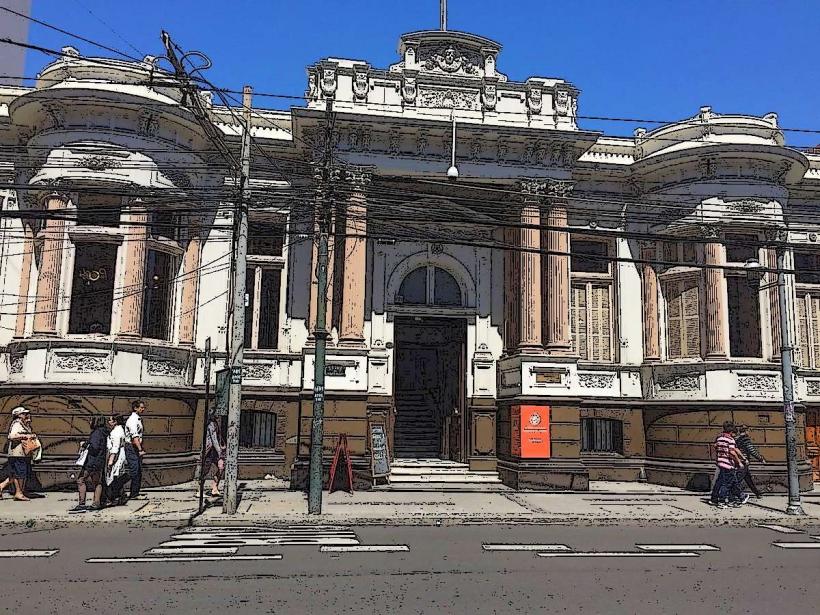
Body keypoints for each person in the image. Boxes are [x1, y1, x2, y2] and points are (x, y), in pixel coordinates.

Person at [710, 421, 749, 508]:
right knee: (727, 484)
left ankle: (739, 497)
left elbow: (716, 446)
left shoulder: (719, 438)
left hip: (721, 463)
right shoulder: (730, 440)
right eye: (734, 434)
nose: (734, 436)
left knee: (726, 481)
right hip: (728, 464)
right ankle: (722, 501)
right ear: (731, 432)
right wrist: (739, 462)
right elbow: (732, 452)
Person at [72, 416, 108, 512]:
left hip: (91, 461)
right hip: (99, 461)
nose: (89, 422)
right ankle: (96, 502)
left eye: (91, 420)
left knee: (80, 480)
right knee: (97, 482)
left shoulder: (96, 433)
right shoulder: (104, 432)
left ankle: (82, 503)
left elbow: (94, 447)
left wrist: (84, 444)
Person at [6, 407, 38, 502]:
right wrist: (26, 436)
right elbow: (11, 436)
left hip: (22, 453)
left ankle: (2, 487)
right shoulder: (17, 424)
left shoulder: (23, 424)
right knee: (20, 474)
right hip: (18, 453)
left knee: (17, 473)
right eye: (24, 414)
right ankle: (19, 493)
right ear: (19, 415)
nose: (26, 415)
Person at [124, 400, 146, 500]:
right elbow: (135, 437)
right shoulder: (132, 420)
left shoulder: (138, 419)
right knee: (134, 470)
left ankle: (135, 493)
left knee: (138, 470)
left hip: (135, 447)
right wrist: (140, 449)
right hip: (132, 447)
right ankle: (117, 486)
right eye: (141, 407)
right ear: (135, 408)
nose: (143, 409)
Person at [735, 424, 766, 498]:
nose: (749, 432)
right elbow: (752, 451)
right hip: (743, 461)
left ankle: (757, 493)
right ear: (746, 431)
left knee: (747, 478)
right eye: (748, 431)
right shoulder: (745, 439)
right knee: (738, 480)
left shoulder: (736, 439)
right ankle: (731, 495)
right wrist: (761, 459)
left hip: (738, 460)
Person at [105, 414, 129, 506]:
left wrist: (111, 461)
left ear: (115, 421)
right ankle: (121, 496)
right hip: (121, 455)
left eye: (110, 420)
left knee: (113, 478)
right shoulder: (120, 430)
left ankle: (114, 497)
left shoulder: (116, 432)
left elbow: (115, 447)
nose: (109, 422)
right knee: (117, 477)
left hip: (116, 457)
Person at [203, 417, 225, 497]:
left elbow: (217, 437)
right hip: (209, 451)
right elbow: (214, 439)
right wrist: (219, 451)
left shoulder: (216, 423)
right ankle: (199, 490)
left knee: (221, 467)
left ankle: (214, 487)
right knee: (205, 470)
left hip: (215, 451)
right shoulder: (211, 424)